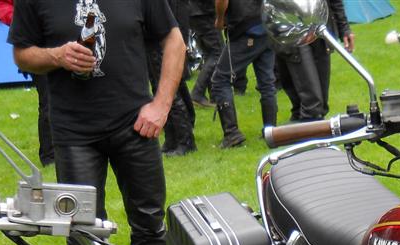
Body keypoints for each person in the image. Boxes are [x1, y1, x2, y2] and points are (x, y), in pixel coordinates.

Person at [8, 0, 185, 245]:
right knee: (81, 227)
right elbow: (22, 54)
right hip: (74, 131)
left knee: (148, 219)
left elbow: (174, 39)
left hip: (135, 123)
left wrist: (161, 105)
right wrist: (57, 56)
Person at [0, 0, 54, 166]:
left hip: (64, 40)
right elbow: (0, 6)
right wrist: (27, 19)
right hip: (36, 48)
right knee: (49, 100)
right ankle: (49, 156)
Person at [210, 0, 277, 149]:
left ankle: (232, 133)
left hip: (245, 27)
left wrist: (220, 19)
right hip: (265, 23)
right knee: (267, 83)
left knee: (220, 79)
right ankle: (271, 131)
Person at [274, 0, 353, 123]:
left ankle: (304, 127)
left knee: (321, 103)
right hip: (291, 28)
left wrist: (344, 28)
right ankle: (306, 128)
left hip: (318, 27)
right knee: (312, 105)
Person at [149, 0, 196, 155]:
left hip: (163, 33)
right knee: (159, 84)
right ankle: (172, 137)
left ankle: (185, 140)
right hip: (155, 32)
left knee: (168, 86)